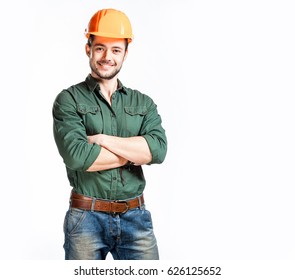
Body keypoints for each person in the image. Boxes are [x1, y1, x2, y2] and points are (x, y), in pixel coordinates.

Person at [52, 8, 167, 260]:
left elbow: (157, 150)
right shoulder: (68, 100)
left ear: (126, 53)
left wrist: (102, 140)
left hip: (136, 217)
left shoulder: (143, 103)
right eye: (100, 47)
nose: (107, 57)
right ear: (88, 48)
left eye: (116, 50)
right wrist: (135, 152)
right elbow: (78, 157)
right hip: (85, 218)